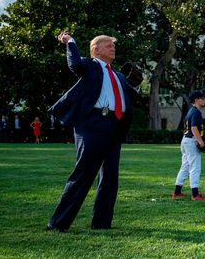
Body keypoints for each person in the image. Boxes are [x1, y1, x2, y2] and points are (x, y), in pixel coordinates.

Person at [46, 32, 140, 232]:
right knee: (83, 175)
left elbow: (131, 96)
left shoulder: (118, 75)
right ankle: (58, 223)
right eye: (108, 46)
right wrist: (70, 41)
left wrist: (136, 84)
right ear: (96, 49)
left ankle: (101, 223)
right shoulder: (90, 66)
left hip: (115, 127)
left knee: (109, 178)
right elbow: (75, 65)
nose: (113, 48)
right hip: (93, 125)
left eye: (113, 46)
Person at [172, 90, 205, 201]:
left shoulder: (191, 111)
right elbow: (194, 128)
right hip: (191, 141)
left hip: (185, 140)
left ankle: (177, 192)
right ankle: (195, 195)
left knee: (185, 167)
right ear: (196, 100)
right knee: (195, 167)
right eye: (202, 98)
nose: (204, 99)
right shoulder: (196, 112)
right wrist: (200, 141)